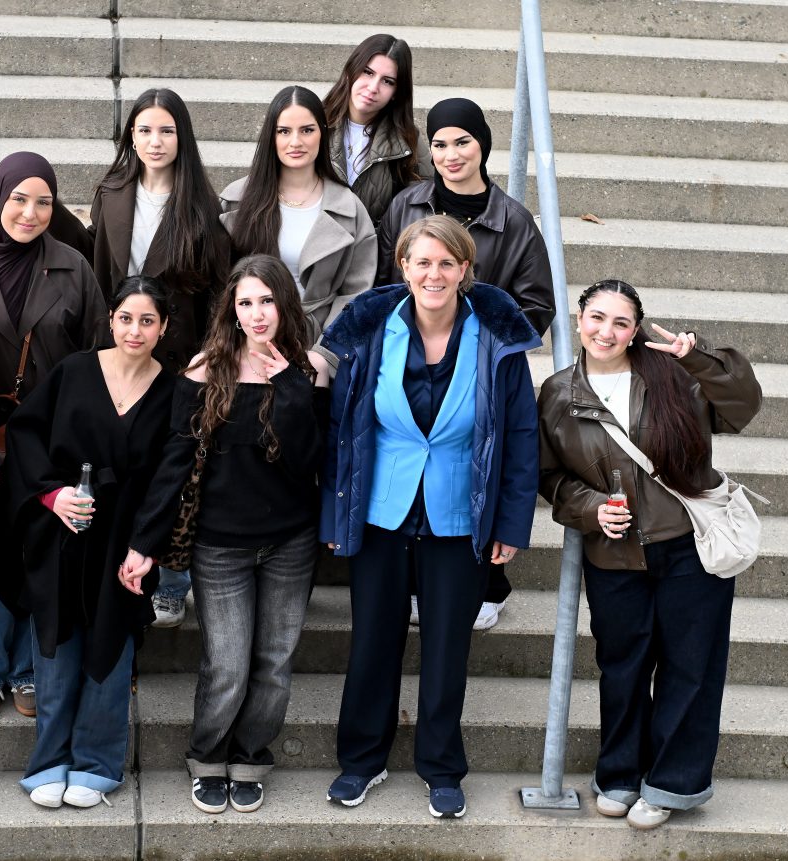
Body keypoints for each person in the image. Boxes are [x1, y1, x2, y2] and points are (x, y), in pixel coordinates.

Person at [320, 216, 540, 819]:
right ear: (404, 267)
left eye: (447, 263)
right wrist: (336, 516)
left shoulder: (495, 340)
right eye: (422, 262)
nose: (434, 274)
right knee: (373, 641)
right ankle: (360, 761)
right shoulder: (372, 331)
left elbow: (522, 436)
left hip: (460, 515)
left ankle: (442, 768)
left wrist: (510, 524)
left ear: (466, 269)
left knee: (447, 648)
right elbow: (342, 427)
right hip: (380, 512)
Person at [537, 279, 761, 830]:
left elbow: (744, 406)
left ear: (635, 330)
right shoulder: (559, 393)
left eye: (620, 322)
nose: (606, 331)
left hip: (690, 545)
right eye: (596, 318)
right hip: (614, 553)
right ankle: (620, 773)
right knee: (622, 667)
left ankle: (671, 784)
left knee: (691, 666)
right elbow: (549, 476)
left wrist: (699, 359)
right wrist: (590, 508)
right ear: (579, 320)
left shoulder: (674, 375)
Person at [121, 255, 330, 815]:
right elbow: (174, 464)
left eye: (267, 301)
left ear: (285, 304)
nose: (257, 314)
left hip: (291, 541)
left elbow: (310, 460)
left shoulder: (310, 370)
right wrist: (144, 544)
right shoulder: (203, 370)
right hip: (220, 546)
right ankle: (207, 753)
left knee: (275, 662)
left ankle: (252, 755)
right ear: (231, 310)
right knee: (228, 663)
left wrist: (288, 384)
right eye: (245, 303)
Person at [0, 276, 174, 809]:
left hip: (125, 539)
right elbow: (25, 435)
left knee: (111, 642)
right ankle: (48, 760)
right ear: (110, 319)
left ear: (164, 328)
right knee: (56, 643)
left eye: (148, 321)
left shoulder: (173, 391)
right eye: (125, 318)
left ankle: (97, 763)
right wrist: (52, 497)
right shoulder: (73, 371)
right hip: (64, 531)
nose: (134, 330)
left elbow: (169, 477)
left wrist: (147, 546)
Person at [49, 87, 230, 629]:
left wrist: (209, 355)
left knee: (174, 469)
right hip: (120, 345)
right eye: (145, 130)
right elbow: (98, 264)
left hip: (179, 357)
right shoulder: (112, 192)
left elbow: (218, 290)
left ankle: (172, 581)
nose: (155, 141)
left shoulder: (203, 207)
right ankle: (116, 563)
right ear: (131, 135)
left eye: (166, 131)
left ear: (182, 137)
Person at [378, 97, 556, 631]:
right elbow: (382, 285)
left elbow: (537, 303)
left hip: (478, 369)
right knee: (420, 467)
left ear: (484, 145)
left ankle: (489, 583)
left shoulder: (514, 220)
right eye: (439, 144)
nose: (450, 154)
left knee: (480, 464)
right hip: (411, 361)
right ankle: (415, 583)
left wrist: (480, 339)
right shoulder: (406, 206)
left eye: (463, 142)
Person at [0, 151, 110, 720]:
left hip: (50, 439)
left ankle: (27, 669)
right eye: (19, 199)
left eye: (44, 202)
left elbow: (98, 354)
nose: (30, 213)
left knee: (38, 554)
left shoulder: (73, 267)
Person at [220, 85, 377, 369]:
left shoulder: (348, 208)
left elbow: (356, 294)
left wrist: (324, 355)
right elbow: (219, 284)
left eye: (307, 130)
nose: (296, 142)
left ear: (322, 134)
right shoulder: (236, 201)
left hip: (313, 347)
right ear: (271, 136)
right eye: (284, 131)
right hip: (245, 347)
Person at [322, 33, 432, 224]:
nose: (373, 87)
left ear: (396, 93)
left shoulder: (407, 139)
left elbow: (422, 207)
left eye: (387, 81)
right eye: (367, 72)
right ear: (351, 71)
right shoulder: (314, 124)